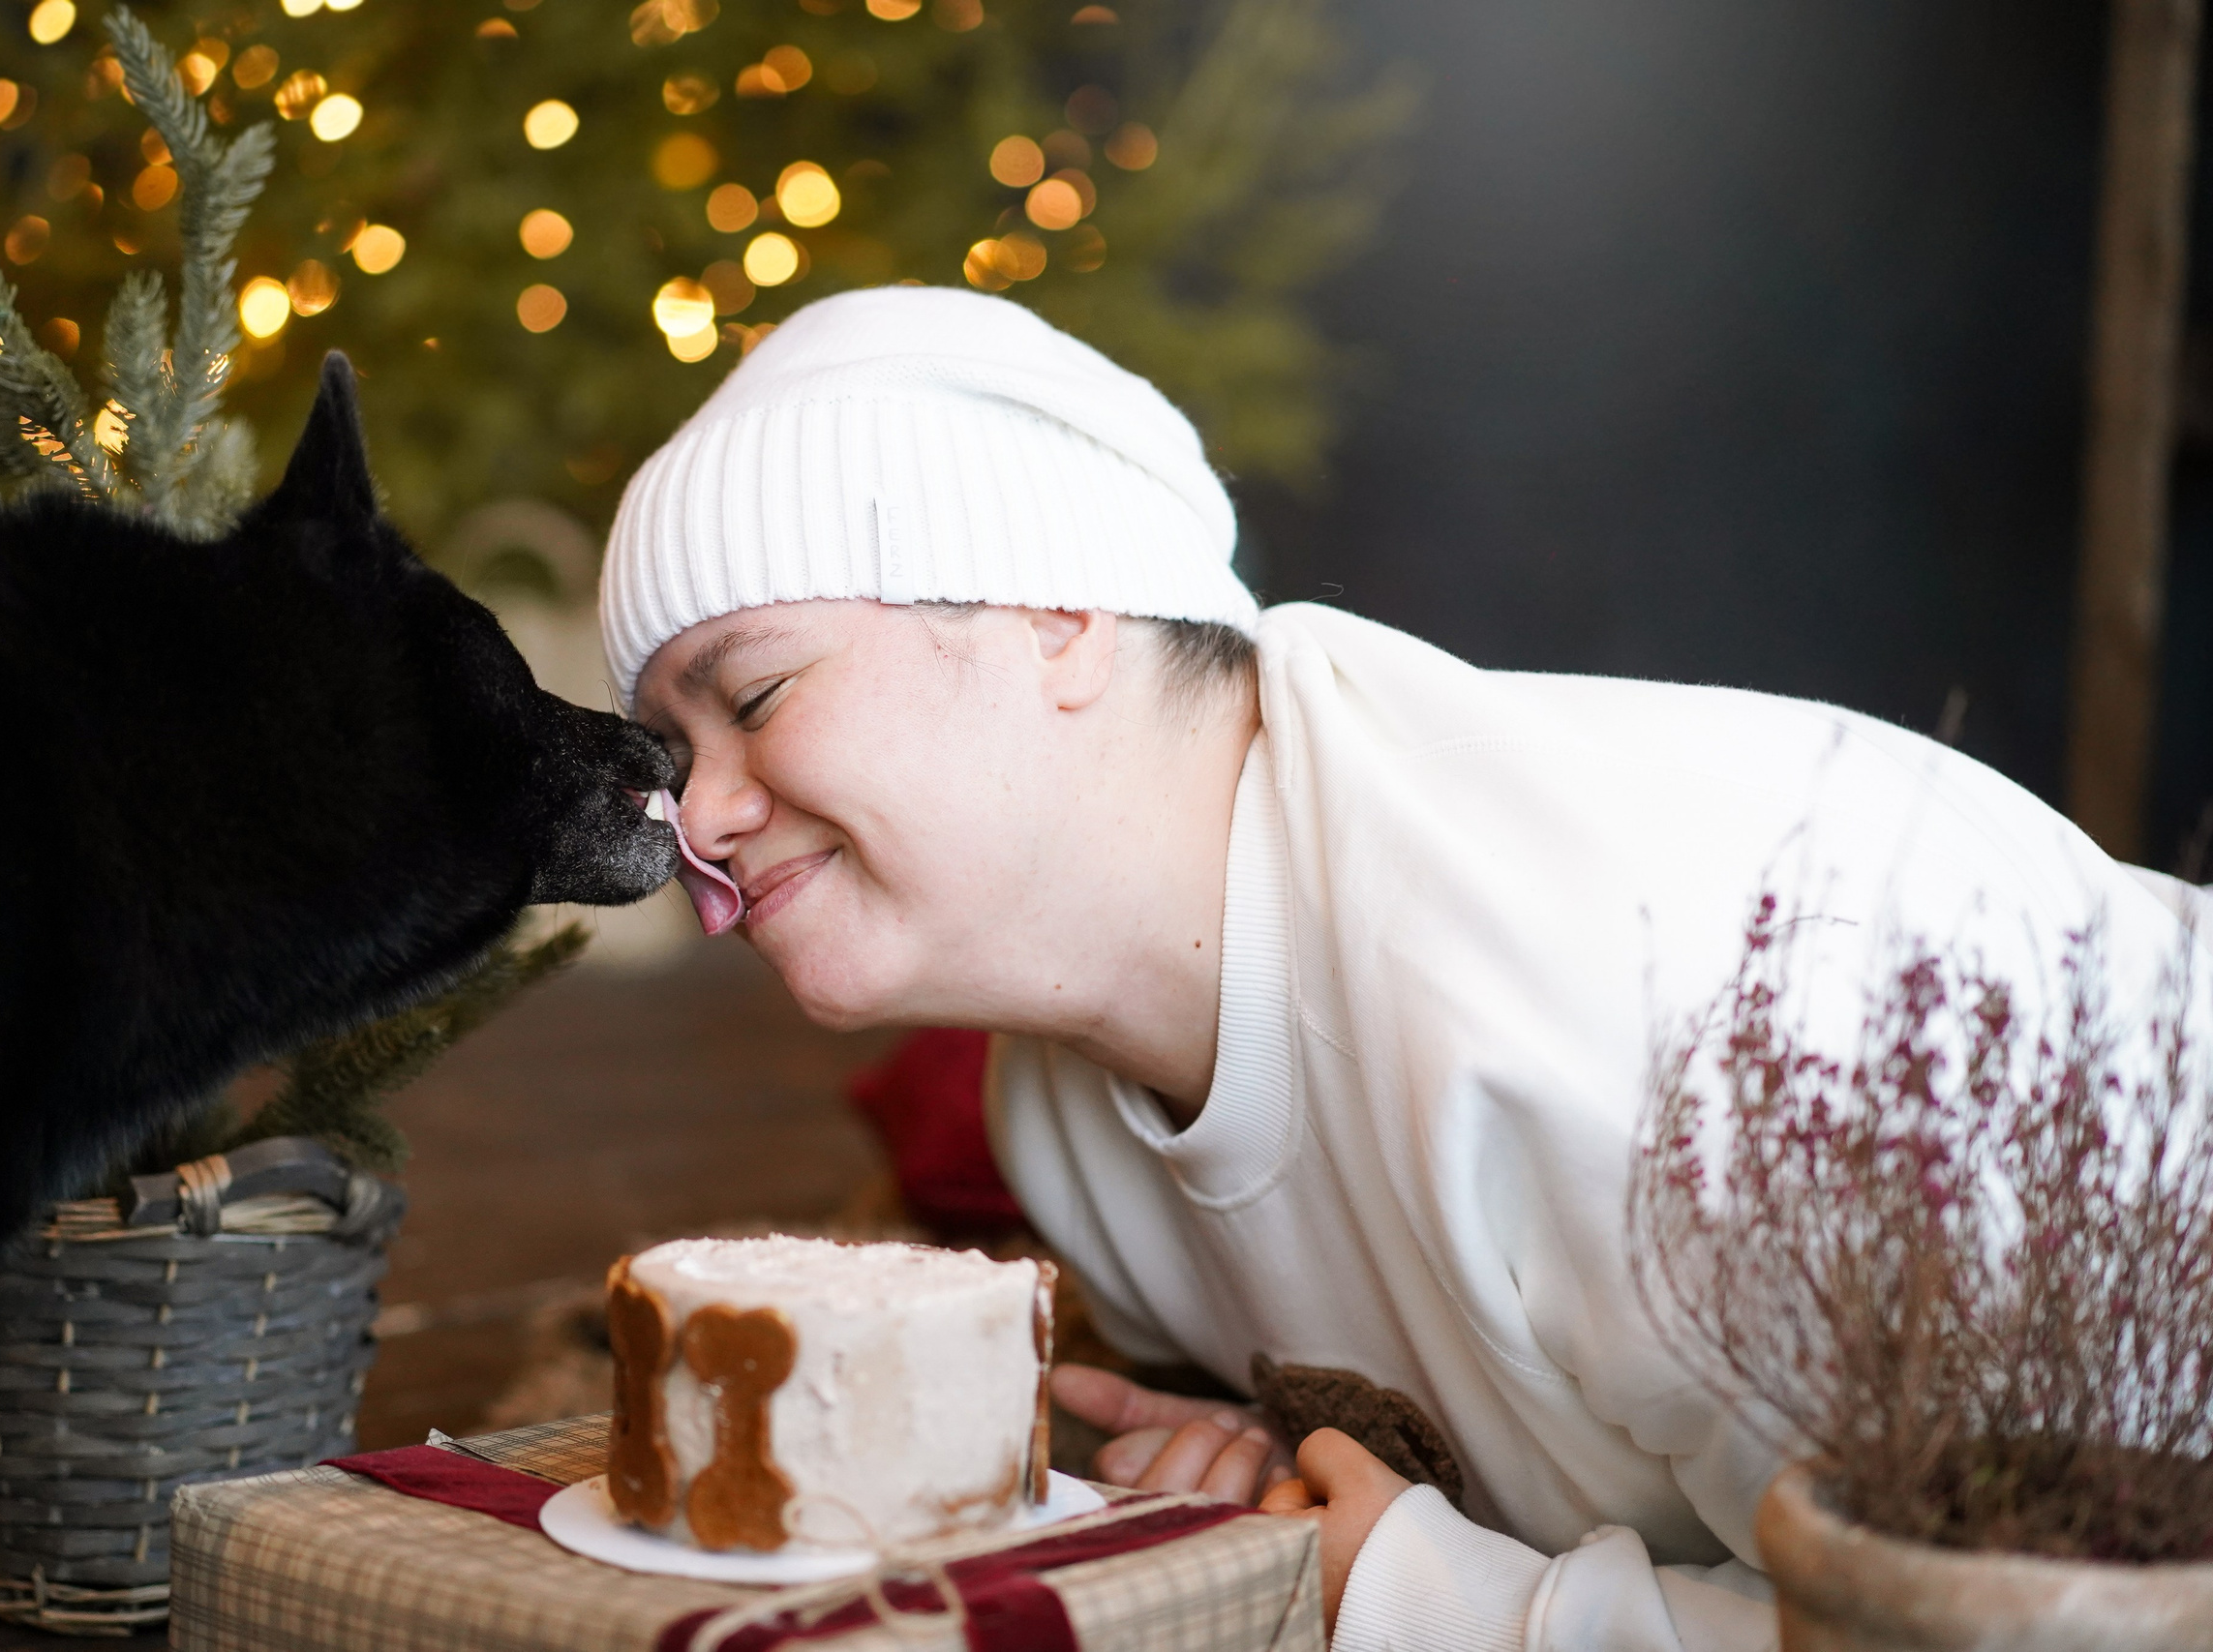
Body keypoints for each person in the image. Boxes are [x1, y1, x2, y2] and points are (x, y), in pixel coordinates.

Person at [597, 286, 2204, 1652]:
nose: (703, 814)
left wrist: (1428, 1595)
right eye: (675, 745)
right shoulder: (1070, 1123)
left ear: (1058, 612)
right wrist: (1279, 1481)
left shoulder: (1629, 997)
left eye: (760, 692)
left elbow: (2032, 1622)